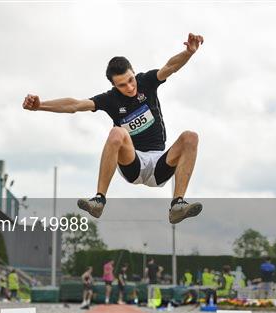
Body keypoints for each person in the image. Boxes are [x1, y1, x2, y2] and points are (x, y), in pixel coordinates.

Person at [22, 33, 205, 224]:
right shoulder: (110, 99)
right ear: (113, 85)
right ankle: (99, 200)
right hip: (133, 162)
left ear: (134, 72)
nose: (129, 87)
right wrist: (40, 105)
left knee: (190, 137)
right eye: (122, 85)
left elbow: (170, 67)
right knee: (117, 132)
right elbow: (75, 105)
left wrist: (188, 53)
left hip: (160, 164)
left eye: (131, 80)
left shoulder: (146, 82)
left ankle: (177, 204)